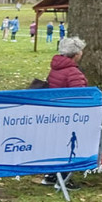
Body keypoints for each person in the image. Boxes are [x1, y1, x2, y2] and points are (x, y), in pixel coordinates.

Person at [41, 37, 87, 190]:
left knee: (57, 144)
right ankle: (64, 177)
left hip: (55, 112)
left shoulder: (56, 68)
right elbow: (80, 96)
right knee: (69, 147)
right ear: (76, 54)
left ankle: (52, 174)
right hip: (70, 115)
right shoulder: (73, 72)